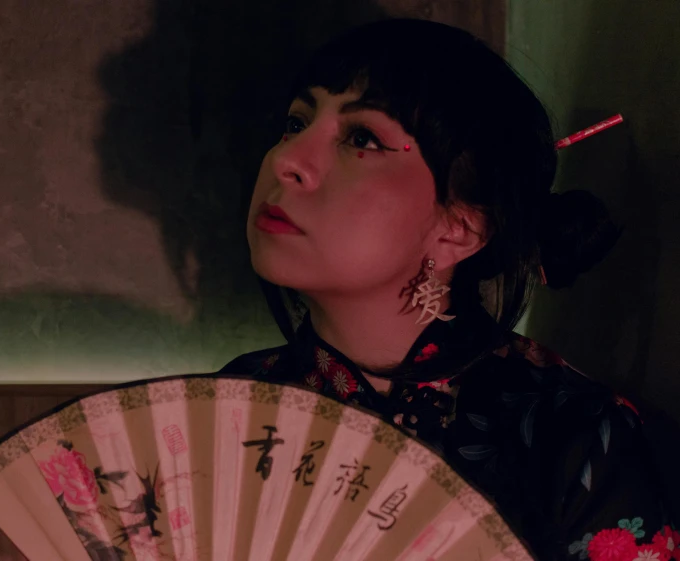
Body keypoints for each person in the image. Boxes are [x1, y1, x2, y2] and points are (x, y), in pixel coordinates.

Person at [220, 18, 676, 560]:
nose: (286, 161)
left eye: (362, 138)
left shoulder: (575, 438)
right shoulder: (238, 399)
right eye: (295, 122)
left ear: (461, 227)